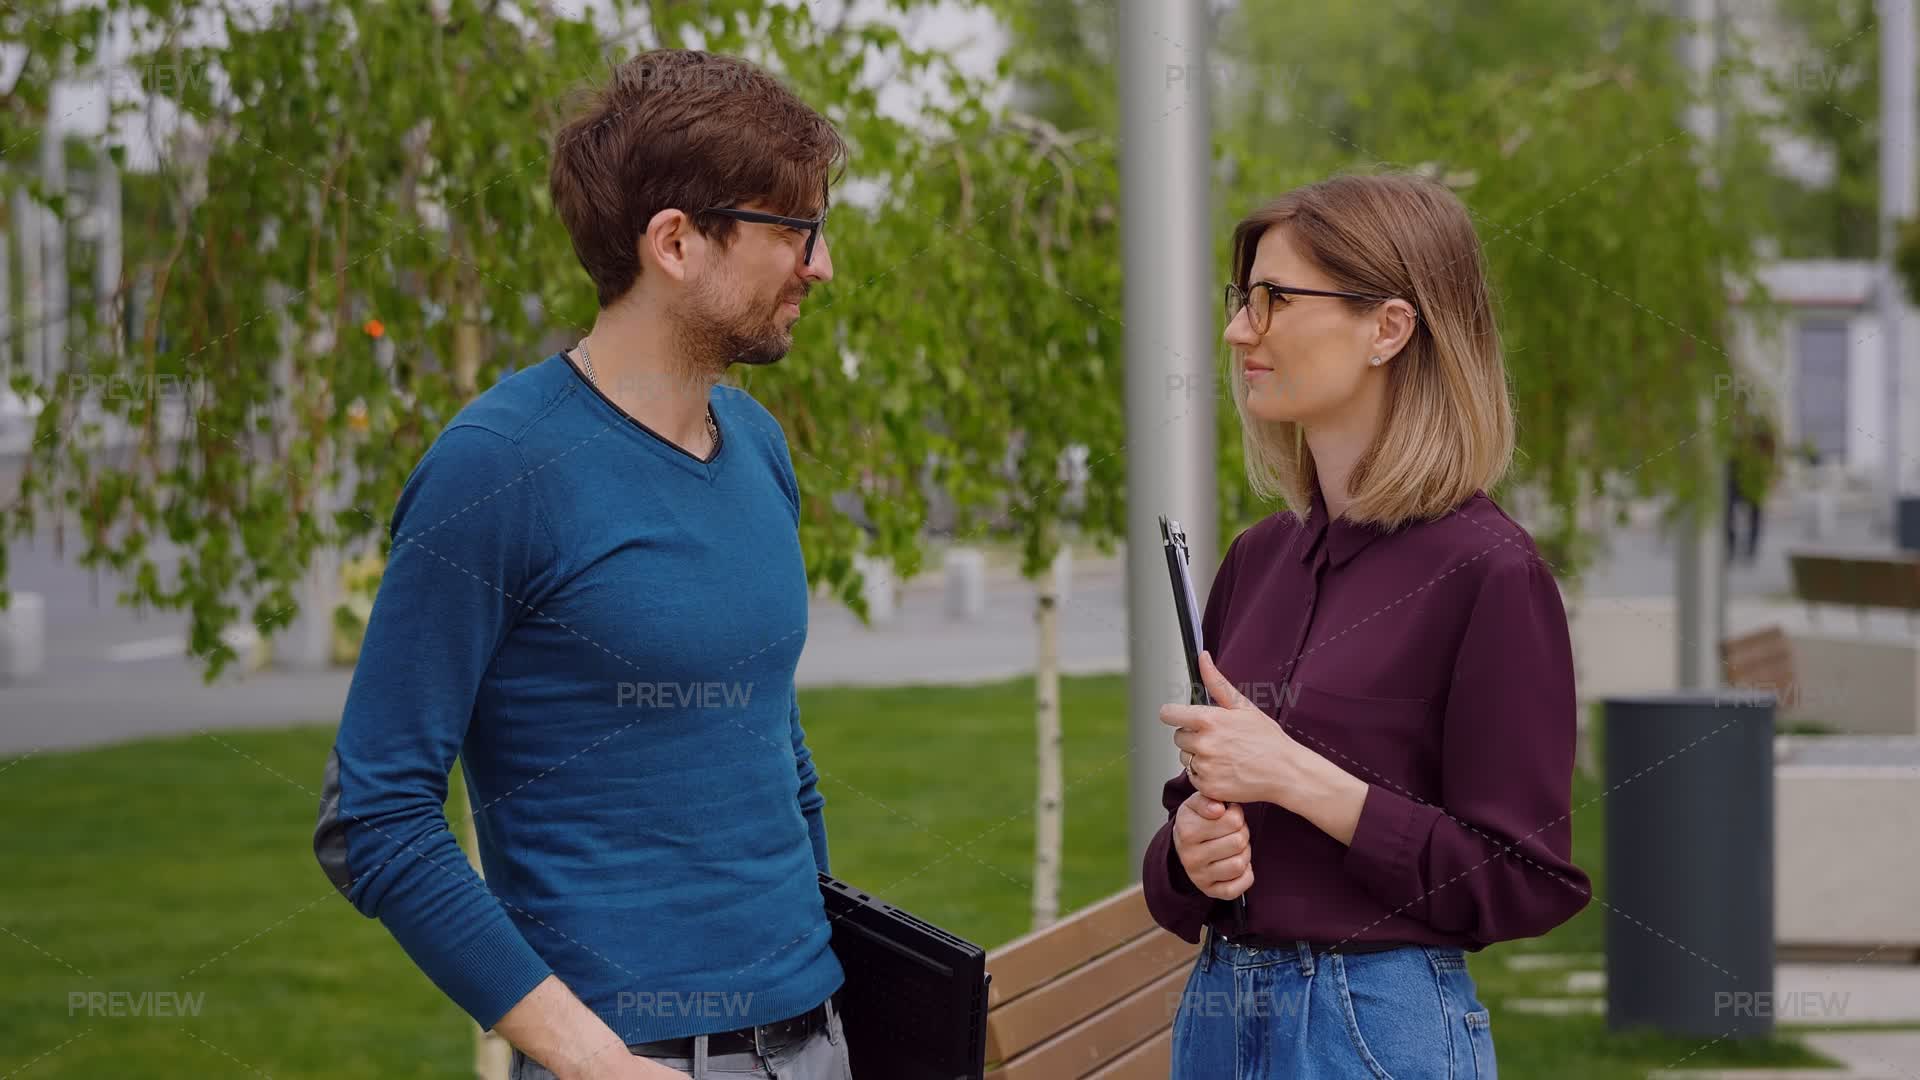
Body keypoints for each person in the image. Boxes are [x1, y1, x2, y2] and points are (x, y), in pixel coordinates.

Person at [312, 49, 851, 1080]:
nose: (820, 266)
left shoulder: (758, 447)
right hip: (638, 1056)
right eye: (797, 232)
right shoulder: (497, 467)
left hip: (817, 1035)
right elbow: (372, 815)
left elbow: (774, 747)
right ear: (677, 243)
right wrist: (590, 1059)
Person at [1144, 172, 1593, 1080]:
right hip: (1219, 1016)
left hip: (1372, 1032)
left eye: (1274, 301)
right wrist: (1190, 850)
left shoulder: (1491, 574)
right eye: (1242, 300)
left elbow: (1525, 877)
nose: (1239, 332)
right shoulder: (1256, 560)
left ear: (1390, 327)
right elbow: (1193, 829)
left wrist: (1305, 782)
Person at [1726, 403, 1779, 565]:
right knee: (1728, 512)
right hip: (1734, 474)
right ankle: (1732, 547)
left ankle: (1750, 548)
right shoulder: (1729, 421)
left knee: (1754, 513)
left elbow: (1770, 446)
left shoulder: (1759, 422)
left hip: (1754, 475)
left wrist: (1768, 471)